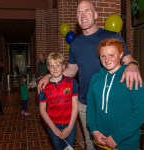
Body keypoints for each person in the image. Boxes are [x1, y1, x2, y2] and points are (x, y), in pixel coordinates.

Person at [38, 0, 142, 149]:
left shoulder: (112, 37)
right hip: (85, 103)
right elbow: (72, 70)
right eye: (79, 12)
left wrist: (132, 65)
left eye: (87, 11)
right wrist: (49, 76)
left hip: (112, 103)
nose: (83, 15)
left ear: (95, 15)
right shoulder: (75, 44)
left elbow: (129, 60)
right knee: (91, 142)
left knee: (116, 141)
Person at [86, 38, 144, 150]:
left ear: (121, 54)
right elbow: (91, 108)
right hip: (100, 141)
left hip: (125, 144)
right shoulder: (95, 79)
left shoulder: (131, 77)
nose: (107, 59)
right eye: (103, 56)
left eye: (111, 55)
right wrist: (95, 131)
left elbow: (140, 112)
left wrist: (117, 137)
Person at [39, 52, 78, 150]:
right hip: (53, 125)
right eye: (52, 66)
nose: (55, 69)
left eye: (58, 65)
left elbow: (75, 106)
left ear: (64, 66)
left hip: (70, 124)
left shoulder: (72, 82)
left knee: (69, 148)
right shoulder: (43, 86)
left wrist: (69, 127)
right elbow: (42, 110)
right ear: (48, 67)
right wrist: (54, 129)